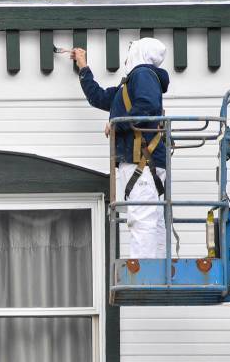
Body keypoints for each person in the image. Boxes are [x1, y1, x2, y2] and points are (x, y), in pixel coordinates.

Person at [72, 38, 171, 259]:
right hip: (144, 162)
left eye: (130, 50)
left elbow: (147, 106)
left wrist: (117, 122)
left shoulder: (143, 75)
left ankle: (145, 277)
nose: (127, 55)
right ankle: (157, 272)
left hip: (143, 160)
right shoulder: (131, 83)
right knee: (151, 219)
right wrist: (83, 67)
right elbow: (99, 97)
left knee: (142, 219)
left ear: (139, 52)